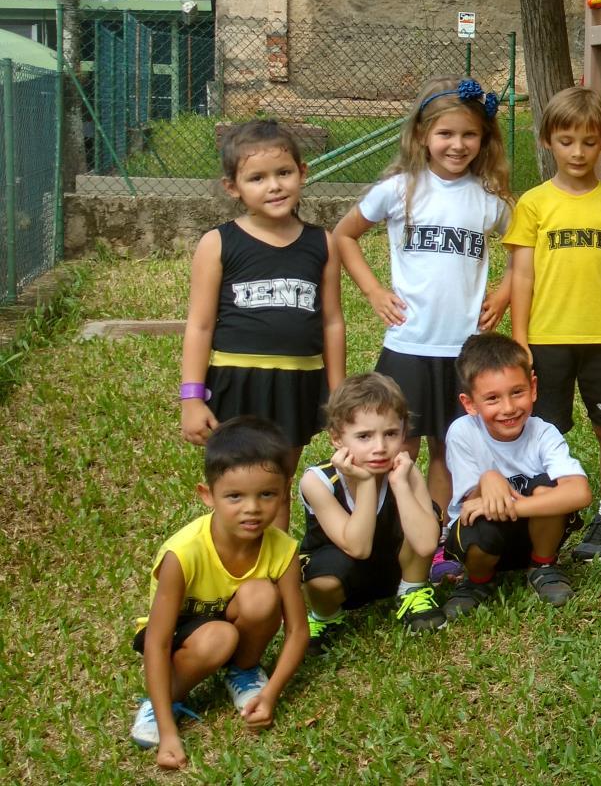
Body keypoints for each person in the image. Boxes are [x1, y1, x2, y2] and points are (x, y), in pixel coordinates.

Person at [333, 76, 512, 581]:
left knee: (447, 448)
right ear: (422, 136)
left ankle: (432, 544)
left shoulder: (488, 200)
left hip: (463, 349)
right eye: (446, 134)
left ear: (483, 141)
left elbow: (526, 249)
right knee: (398, 449)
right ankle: (386, 536)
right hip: (409, 345)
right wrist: (372, 290)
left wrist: (502, 293)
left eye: (469, 136)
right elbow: (344, 235)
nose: (457, 145)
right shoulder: (400, 190)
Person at [503, 86, 601, 563]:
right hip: (547, 338)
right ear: (547, 141)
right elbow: (522, 273)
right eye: (566, 140)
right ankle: (551, 507)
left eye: (588, 141)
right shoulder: (534, 204)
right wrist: (520, 339)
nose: (577, 152)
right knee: (545, 428)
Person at [179, 120, 345, 501]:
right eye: (257, 178)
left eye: (284, 173)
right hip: (234, 383)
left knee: (277, 486)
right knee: (238, 486)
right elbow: (200, 326)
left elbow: (332, 322)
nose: (274, 185)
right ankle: (230, 561)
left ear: (302, 173)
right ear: (233, 188)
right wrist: (191, 398)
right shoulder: (218, 243)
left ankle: (277, 561)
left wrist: (338, 395)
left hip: (296, 385)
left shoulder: (323, 242)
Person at [130, 417, 308, 769]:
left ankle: (242, 671)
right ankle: (162, 700)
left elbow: (298, 631)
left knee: (262, 597)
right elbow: (157, 640)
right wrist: (168, 734)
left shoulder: (282, 548)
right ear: (207, 495)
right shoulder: (182, 555)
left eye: (267, 494)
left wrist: (271, 695)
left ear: (286, 489)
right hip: (180, 636)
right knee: (218, 638)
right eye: (235, 496)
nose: (252, 508)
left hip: (231, 617)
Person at [440, 333, 594, 619]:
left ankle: (543, 566)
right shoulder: (463, 432)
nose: (509, 408)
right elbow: (470, 505)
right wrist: (488, 479)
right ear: (470, 403)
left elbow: (580, 492)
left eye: (517, 392)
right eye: (492, 398)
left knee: (548, 489)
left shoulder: (544, 432)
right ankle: (477, 581)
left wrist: (515, 505)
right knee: (478, 521)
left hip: (534, 536)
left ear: (533, 387)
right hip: (485, 539)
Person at [299, 373, 447, 642]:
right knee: (323, 582)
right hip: (342, 571)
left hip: (392, 569)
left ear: (404, 432)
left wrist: (401, 485)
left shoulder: (404, 471)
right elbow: (357, 547)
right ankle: (325, 616)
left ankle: (412, 590)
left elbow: (426, 544)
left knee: (426, 515)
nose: (380, 447)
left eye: (391, 434)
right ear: (336, 438)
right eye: (364, 436)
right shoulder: (317, 481)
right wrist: (366, 482)